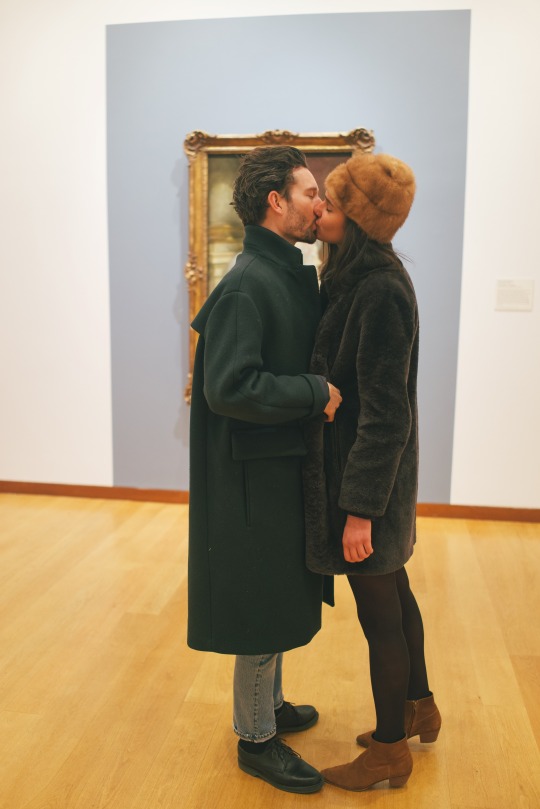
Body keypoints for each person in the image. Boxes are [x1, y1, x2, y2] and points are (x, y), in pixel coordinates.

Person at [187, 145, 342, 794]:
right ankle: (256, 738)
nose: (319, 204)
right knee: (259, 602)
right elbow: (229, 386)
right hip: (251, 477)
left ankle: (270, 705)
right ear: (277, 202)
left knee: (275, 592)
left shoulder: (278, 272)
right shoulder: (250, 282)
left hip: (272, 466)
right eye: (309, 192)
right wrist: (314, 392)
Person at [303, 152, 441, 791]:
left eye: (330, 204)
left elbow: (386, 414)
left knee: (380, 615)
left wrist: (360, 509)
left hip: (370, 479)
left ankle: (389, 750)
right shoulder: (356, 277)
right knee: (397, 593)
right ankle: (418, 707)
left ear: (358, 219)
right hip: (373, 472)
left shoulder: (380, 289)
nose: (319, 210)